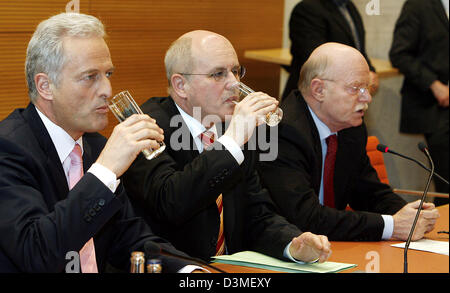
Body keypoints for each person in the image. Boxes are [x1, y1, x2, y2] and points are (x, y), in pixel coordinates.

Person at [0, 13, 201, 273]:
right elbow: (37, 254)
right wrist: (105, 170)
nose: (107, 88)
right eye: (90, 76)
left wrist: (191, 272)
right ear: (45, 86)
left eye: (108, 73)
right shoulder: (8, 149)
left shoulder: (94, 145)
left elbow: (131, 240)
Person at [122, 30, 331, 263]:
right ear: (181, 85)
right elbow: (170, 202)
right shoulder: (145, 127)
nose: (234, 83)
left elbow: (256, 215)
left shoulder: (232, 127)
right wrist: (231, 142)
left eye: (236, 71)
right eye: (218, 74)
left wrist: (292, 245)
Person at [257, 43, 440, 242]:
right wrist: (392, 226)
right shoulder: (280, 131)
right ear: (319, 90)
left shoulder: (350, 127)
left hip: (331, 248)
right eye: (356, 89)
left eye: (367, 88)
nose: (367, 97)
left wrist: (409, 214)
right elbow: (304, 218)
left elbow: (368, 191)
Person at [389, 0, 449, 206]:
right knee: (446, 179)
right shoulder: (418, 5)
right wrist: (434, 84)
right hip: (434, 107)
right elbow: (399, 53)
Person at [282, 0, 379, 100]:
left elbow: (358, 49)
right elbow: (317, 61)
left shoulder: (349, 7)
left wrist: (370, 72)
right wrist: (359, 79)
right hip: (314, 101)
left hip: (349, 98)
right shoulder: (307, 8)